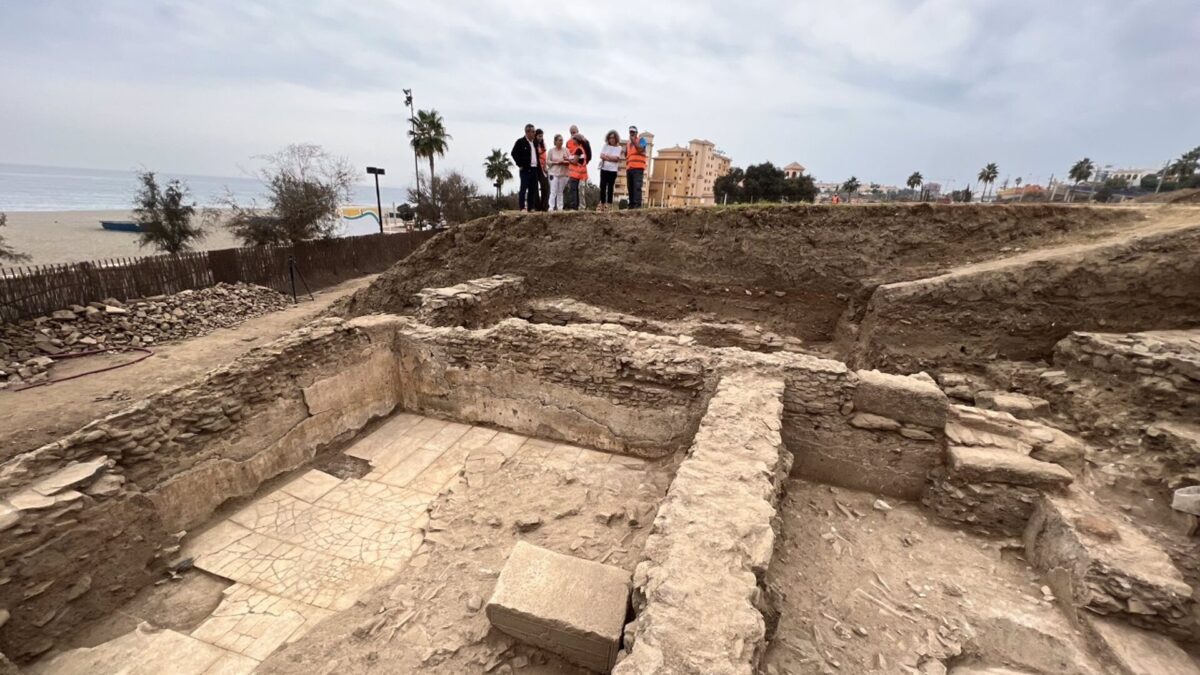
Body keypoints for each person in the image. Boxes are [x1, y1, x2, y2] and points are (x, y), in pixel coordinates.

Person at [511, 123, 542, 212]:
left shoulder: (534, 143)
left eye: (534, 131)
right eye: (533, 132)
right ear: (527, 132)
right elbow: (514, 153)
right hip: (525, 169)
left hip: (534, 168)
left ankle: (531, 206)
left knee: (533, 189)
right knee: (524, 188)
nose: (534, 133)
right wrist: (520, 164)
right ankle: (522, 207)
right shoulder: (520, 142)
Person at [566, 126, 591, 210]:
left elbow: (577, 160)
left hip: (578, 172)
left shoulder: (582, 145)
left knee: (577, 190)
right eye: (571, 133)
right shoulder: (570, 144)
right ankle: (579, 207)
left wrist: (567, 159)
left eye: (574, 133)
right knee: (577, 190)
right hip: (575, 171)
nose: (572, 135)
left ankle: (576, 207)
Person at [625, 126, 648, 208]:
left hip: (638, 168)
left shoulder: (642, 140)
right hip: (629, 168)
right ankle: (631, 205)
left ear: (636, 133)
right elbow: (627, 155)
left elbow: (640, 149)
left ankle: (637, 205)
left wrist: (634, 141)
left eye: (633, 132)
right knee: (630, 188)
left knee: (637, 187)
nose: (631, 133)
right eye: (630, 132)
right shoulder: (628, 144)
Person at [598, 130, 621, 211]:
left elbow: (616, 159)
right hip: (604, 169)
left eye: (613, 138)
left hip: (613, 171)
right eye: (610, 138)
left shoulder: (619, 148)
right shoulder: (605, 146)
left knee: (610, 187)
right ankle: (602, 204)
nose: (612, 139)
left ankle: (609, 204)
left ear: (616, 139)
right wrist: (610, 157)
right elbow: (601, 155)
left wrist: (607, 157)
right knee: (602, 186)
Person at [546, 133, 570, 211]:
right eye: (559, 140)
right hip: (553, 173)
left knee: (560, 191)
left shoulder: (566, 150)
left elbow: (570, 161)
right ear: (555, 141)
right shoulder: (551, 151)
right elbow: (548, 162)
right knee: (553, 191)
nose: (561, 142)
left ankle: (560, 207)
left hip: (563, 173)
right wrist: (555, 162)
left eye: (562, 140)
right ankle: (551, 207)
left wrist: (564, 162)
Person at [535, 129, 550, 211]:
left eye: (542, 136)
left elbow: (544, 156)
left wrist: (545, 166)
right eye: (539, 136)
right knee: (535, 188)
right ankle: (537, 206)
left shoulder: (543, 145)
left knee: (545, 186)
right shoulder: (533, 144)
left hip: (542, 167)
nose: (541, 138)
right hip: (534, 167)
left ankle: (545, 206)